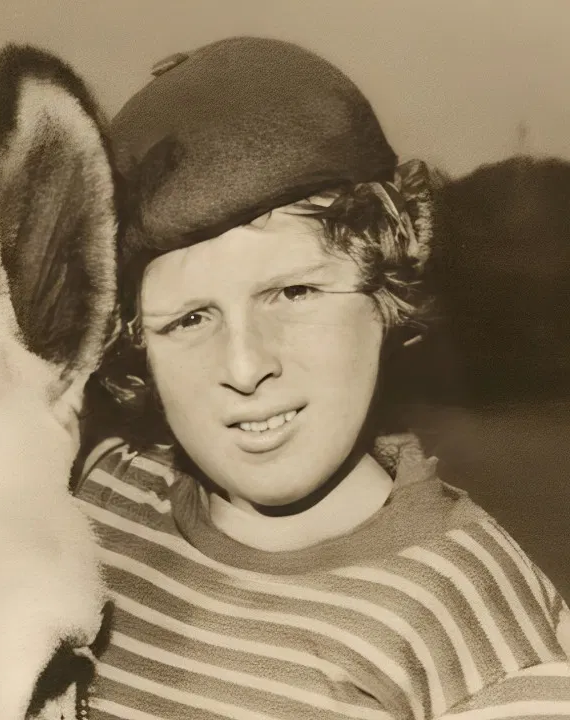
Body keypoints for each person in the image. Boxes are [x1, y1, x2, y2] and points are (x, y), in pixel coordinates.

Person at [75, 37, 570, 719]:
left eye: (295, 293)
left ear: (386, 287)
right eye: (189, 319)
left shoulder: (477, 620)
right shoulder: (98, 499)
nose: (246, 366)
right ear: (136, 348)